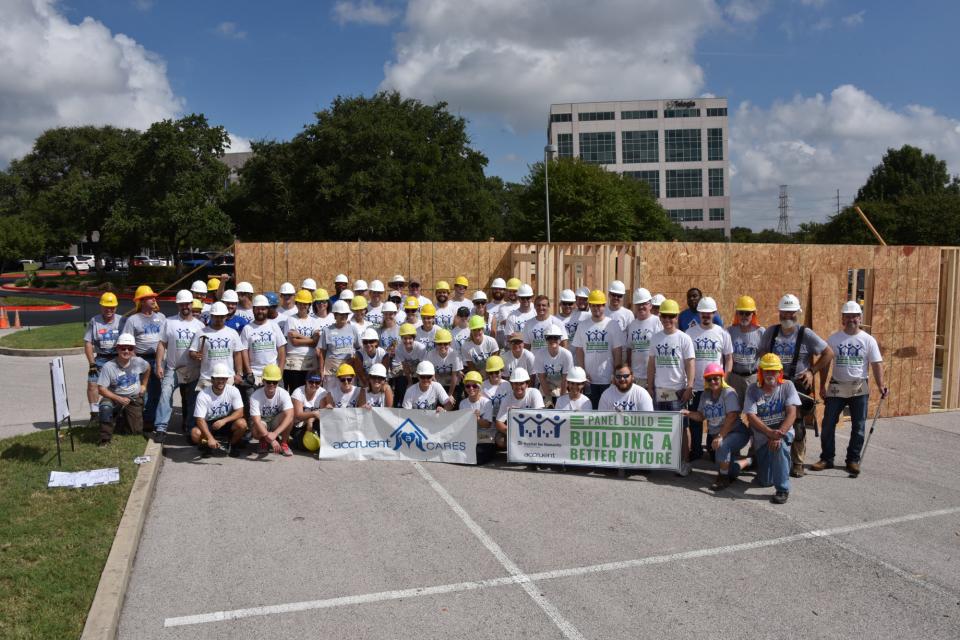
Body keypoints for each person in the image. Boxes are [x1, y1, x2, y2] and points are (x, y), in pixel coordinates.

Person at [758, 293, 834, 478]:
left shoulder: (805, 334)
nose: (787, 317)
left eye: (791, 313)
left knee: (797, 424)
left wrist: (811, 371)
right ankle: (768, 457)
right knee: (772, 420)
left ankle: (798, 462)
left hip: (798, 385)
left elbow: (828, 353)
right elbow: (761, 354)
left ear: (797, 313)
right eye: (783, 313)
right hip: (775, 384)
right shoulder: (771, 332)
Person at [812, 301, 888, 476]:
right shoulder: (834, 339)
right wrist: (822, 385)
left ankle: (853, 460)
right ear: (842, 319)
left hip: (859, 387)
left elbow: (876, 364)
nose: (851, 319)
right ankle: (827, 458)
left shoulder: (868, 340)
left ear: (860, 318)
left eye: (854, 316)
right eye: (847, 316)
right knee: (828, 424)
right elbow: (825, 363)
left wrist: (881, 385)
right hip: (837, 386)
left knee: (859, 426)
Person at [646, 299, 695, 475]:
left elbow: (690, 363)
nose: (667, 320)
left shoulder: (684, 338)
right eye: (664, 316)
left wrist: (689, 386)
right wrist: (650, 386)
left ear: (676, 317)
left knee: (681, 428)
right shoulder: (656, 338)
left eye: (671, 316)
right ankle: (662, 460)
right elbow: (651, 364)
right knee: (660, 427)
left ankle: (684, 462)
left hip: (678, 390)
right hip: (660, 390)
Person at [681, 364, 749, 491]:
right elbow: (701, 416)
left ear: (722, 378)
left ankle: (722, 479)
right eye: (709, 379)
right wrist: (688, 413)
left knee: (722, 447)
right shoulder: (705, 395)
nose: (712, 381)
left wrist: (720, 436)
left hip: (736, 432)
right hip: (720, 435)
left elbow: (732, 416)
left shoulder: (729, 393)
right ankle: (749, 460)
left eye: (716, 378)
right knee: (731, 471)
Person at [744, 354, 801, 504]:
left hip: (782, 433)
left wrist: (778, 435)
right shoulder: (752, 389)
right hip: (763, 437)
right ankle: (778, 466)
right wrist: (769, 433)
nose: (770, 374)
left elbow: (792, 413)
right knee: (764, 481)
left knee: (780, 447)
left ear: (780, 372)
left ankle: (782, 489)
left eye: (774, 371)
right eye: (767, 371)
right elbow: (751, 416)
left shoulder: (788, 386)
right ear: (760, 371)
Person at [686, 296, 734, 461]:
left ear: (714, 313)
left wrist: (724, 379)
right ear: (698, 313)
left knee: (716, 418)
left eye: (709, 313)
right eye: (703, 313)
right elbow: (686, 360)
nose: (706, 316)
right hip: (697, 386)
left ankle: (714, 449)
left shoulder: (722, 333)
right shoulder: (690, 333)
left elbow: (728, 358)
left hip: (715, 385)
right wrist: (688, 384)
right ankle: (696, 450)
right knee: (696, 419)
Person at [154, 290, 204, 441]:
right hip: (173, 368)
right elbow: (162, 344)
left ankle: (190, 429)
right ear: (178, 305)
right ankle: (161, 428)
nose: (185, 306)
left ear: (191, 304)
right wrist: (158, 365)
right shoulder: (169, 322)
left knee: (192, 400)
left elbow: (203, 349)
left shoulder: (200, 326)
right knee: (165, 395)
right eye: (182, 304)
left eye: (187, 303)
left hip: (193, 369)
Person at [121, 285, 166, 429]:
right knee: (142, 392)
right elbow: (127, 343)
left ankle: (151, 420)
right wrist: (136, 361)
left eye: (154, 297)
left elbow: (166, 340)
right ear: (141, 301)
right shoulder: (132, 320)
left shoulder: (161, 317)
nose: (154, 300)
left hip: (158, 359)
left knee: (157, 391)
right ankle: (139, 420)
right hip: (140, 359)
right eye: (150, 297)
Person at [572, 289, 625, 408]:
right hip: (589, 381)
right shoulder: (583, 325)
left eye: (599, 306)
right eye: (594, 306)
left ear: (604, 306)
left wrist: (616, 374)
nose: (596, 308)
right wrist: (583, 373)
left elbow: (617, 351)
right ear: (589, 306)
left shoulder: (612, 325)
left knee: (607, 412)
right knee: (591, 411)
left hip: (608, 379)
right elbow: (579, 351)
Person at [96, 333, 149, 446]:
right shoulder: (108, 366)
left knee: (135, 432)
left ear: (133, 349)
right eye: (122, 348)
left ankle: (120, 421)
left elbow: (148, 367)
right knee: (105, 407)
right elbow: (101, 389)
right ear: (117, 348)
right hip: (114, 398)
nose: (126, 351)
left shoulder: (138, 361)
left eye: (129, 348)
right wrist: (118, 398)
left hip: (133, 398)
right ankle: (105, 439)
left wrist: (144, 385)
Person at [191, 362, 247, 457]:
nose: (221, 381)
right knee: (195, 433)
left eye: (224, 378)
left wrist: (223, 421)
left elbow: (240, 412)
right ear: (212, 379)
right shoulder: (203, 395)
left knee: (242, 424)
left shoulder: (233, 390)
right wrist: (209, 438)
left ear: (227, 379)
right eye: (218, 378)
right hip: (209, 424)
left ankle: (232, 445)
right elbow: (200, 420)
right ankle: (207, 445)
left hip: (226, 422)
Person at [84, 292, 124, 423]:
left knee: (120, 385)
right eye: (106, 307)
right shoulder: (94, 321)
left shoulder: (122, 321)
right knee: (92, 384)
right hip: (100, 358)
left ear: (116, 307)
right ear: (101, 307)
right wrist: (92, 364)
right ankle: (94, 414)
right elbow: (88, 343)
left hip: (117, 357)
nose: (109, 310)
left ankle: (119, 411)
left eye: (112, 307)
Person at [189, 301, 243, 388]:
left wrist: (239, 373)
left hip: (227, 378)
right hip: (207, 379)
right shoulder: (201, 332)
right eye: (216, 316)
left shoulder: (232, 333)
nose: (219, 319)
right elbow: (192, 352)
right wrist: (195, 355)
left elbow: (237, 354)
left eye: (221, 317)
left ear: (226, 316)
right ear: (211, 316)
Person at [248, 364, 295, 456]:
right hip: (262, 422)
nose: (272, 384)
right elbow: (256, 421)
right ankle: (263, 442)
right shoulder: (255, 396)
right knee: (258, 426)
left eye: (275, 382)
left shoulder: (283, 393)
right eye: (269, 382)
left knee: (289, 418)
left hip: (275, 422)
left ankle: (284, 443)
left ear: (278, 382)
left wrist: (275, 433)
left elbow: (290, 415)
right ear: (263, 381)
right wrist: (271, 439)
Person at [280, 290, 322, 393]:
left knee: (310, 392)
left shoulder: (314, 321)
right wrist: (310, 339)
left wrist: (298, 335)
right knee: (295, 392)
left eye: (306, 304)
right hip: (293, 363)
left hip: (310, 363)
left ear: (309, 305)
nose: (303, 306)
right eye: (300, 303)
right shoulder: (291, 320)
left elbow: (315, 342)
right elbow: (294, 342)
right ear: (297, 304)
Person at [240, 294, 287, 385]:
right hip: (255, 375)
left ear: (267, 310)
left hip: (273, 374)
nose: (260, 311)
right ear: (253, 310)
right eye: (258, 309)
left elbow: (281, 349)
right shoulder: (247, 328)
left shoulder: (274, 326)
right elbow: (244, 352)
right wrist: (249, 373)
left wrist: (280, 372)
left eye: (263, 309)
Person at [727, 295, 765, 405]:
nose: (744, 316)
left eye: (747, 313)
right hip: (734, 379)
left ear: (753, 314)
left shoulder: (760, 332)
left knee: (754, 412)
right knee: (733, 411)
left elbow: (764, 356)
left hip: (753, 378)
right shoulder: (729, 331)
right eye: (741, 313)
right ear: (737, 314)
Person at [494, 368, 544, 447]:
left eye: (521, 383)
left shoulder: (534, 393)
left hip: (533, 431)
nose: (518, 386)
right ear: (512, 385)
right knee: (500, 440)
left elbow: (540, 417)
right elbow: (498, 422)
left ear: (527, 384)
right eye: (516, 383)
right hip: (514, 431)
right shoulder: (507, 398)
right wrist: (510, 431)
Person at [625, 288, 663, 390]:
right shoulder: (632, 324)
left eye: (644, 304)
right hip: (636, 377)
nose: (641, 307)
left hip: (654, 376)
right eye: (638, 304)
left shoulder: (657, 322)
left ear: (650, 305)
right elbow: (629, 349)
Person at [318, 300, 359, 392]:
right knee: (331, 394)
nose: (344, 316)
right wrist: (321, 370)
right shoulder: (327, 330)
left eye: (346, 314)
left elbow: (358, 348)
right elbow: (322, 353)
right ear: (335, 315)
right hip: (331, 370)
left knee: (349, 395)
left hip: (348, 369)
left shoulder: (353, 329)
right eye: (341, 314)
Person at [460, 370, 495, 462]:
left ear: (479, 387)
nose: (471, 388)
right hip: (470, 437)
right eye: (468, 386)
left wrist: (478, 419)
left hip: (485, 437)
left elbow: (488, 425)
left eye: (474, 386)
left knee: (479, 458)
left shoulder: (486, 402)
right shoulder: (463, 403)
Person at [535, 324, 574, 406]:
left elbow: (565, 378)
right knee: (546, 409)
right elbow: (542, 378)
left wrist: (562, 398)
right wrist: (548, 398)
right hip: (546, 385)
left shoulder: (566, 354)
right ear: (546, 339)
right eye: (549, 337)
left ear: (560, 340)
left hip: (562, 386)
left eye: (555, 337)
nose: (553, 340)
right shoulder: (539, 354)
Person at [426, 328, 463, 402]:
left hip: (453, 385)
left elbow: (454, 376)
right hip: (438, 384)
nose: (442, 346)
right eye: (439, 344)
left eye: (445, 344)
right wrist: (440, 393)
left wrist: (449, 395)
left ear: (450, 343)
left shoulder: (455, 354)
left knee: (451, 403)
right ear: (435, 344)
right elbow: (432, 376)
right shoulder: (430, 355)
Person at [394, 323, 426, 405]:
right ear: (401, 338)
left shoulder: (421, 348)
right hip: (408, 370)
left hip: (420, 370)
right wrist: (410, 382)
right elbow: (405, 366)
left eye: (410, 338)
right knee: (401, 382)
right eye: (405, 338)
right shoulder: (398, 348)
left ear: (414, 338)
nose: (407, 341)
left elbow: (422, 366)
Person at [291, 373, 332, 437]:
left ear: (321, 383)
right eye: (311, 382)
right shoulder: (298, 392)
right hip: (299, 423)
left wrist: (310, 420)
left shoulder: (322, 392)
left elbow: (322, 415)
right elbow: (298, 415)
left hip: (314, 421)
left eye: (317, 382)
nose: (314, 384)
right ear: (306, 381)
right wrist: (314, 413)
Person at [482, 355, 512, 419]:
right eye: (491, 373)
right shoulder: (483, 385)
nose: (494, 375)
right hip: (488, 418)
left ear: (502, 371)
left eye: (496, 372)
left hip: (503, 418)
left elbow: (511, 401)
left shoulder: (507, 384)